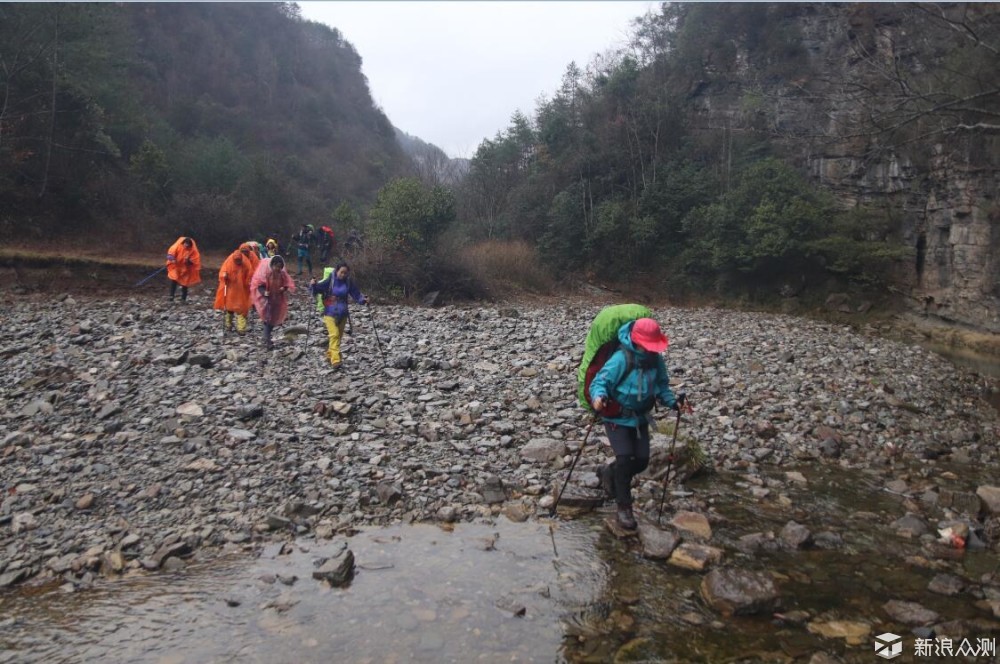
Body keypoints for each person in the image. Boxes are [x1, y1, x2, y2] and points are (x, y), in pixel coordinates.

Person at [589, 318, 685, 531]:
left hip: (641, 418)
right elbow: (600, 382)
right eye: (649, 345)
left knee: (641, 462)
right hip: (617, 419)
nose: (652, 350)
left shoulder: (655, 360)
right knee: (625, 459)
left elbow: (661, 386)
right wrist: (598, 397)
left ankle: (609, 472)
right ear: (637, 340)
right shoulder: (621, 358)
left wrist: (672, 403)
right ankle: (624, 508)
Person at [310, 261, 367, 369]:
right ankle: (336, 360)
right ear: (337, 271)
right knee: (334, 335)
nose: (343, 275)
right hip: (329, 312)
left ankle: (329, 355)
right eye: (341, 272)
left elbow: (356, 294)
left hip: (343, 313)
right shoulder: (330, 280)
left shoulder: (348, 282)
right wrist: (313, 284)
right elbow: (318, 288)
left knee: (338, 337)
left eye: (345, 273)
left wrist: (363, 300)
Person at [251, 255, 295, 350]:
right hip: (267, 300)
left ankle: (267, 337)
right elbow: (260, 285)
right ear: (273, 265)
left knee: (273, 320)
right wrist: (264, 292)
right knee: (267, 319)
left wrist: (284, 288)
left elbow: (286, 283)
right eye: (277, 266)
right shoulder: (266, 273)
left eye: (280, 267)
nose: (278, 269)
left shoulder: (282, 274)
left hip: (277, 299)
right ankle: (266, 341)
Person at [213, 244, 256, 334]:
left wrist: (249, 282)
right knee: (229, 309)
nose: (238, 263)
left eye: (239, 261)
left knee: (242, 309)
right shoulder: (229, 262)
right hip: (230, 290)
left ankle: (241, 328)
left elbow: (250, 274)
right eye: (236, 261)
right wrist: (224, 275)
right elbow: (223, 271)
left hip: (242, 290)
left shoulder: (246, 263)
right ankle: (228, 325)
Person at [165, 236, 201, 303]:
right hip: (176, 267)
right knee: (174, 280)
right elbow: (169, 255)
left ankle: (183, 298)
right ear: (183, 243)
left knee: (185, 284)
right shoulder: (176, 247)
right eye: (185, 243)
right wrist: (172, 259)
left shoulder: (193, 250)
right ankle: (171, 296)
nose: (186, 245)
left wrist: (188, 261)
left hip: (186, 269)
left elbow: (195, 261)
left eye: (188, 244)